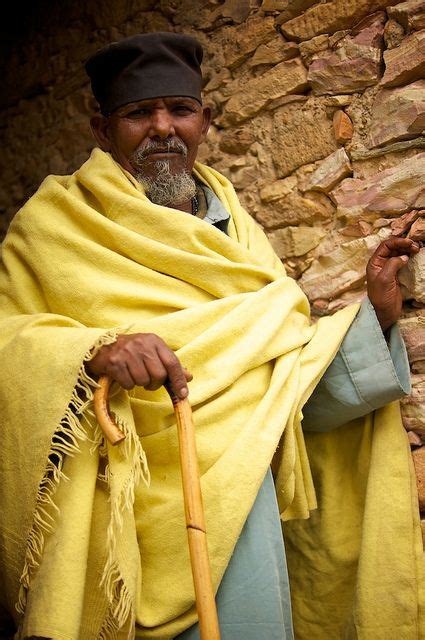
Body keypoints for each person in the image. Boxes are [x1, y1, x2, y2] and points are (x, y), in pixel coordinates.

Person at [0, 32, 422, 640]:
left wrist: (376, 315)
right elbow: (10, 344)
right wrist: (92, 353)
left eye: (180, 109)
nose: (163, 128)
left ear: (205, 121)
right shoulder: (52, 225)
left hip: (245, 515)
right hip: (131, 521)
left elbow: (282, 384)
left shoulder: (237, 230)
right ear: (102, 129)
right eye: (139, 113)